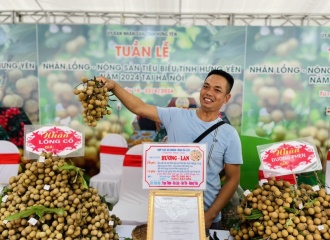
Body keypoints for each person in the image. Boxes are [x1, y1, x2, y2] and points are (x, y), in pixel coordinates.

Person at [96, 69, 243, 235]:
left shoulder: (229, 134)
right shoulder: (176, 116)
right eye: (206, 86)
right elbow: (139, 107)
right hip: (167, 214)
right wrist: (114, 86)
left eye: (217, 90)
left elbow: (233, 179)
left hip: (206, 216)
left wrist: (210, 214)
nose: (209, 93)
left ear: (226, 98)